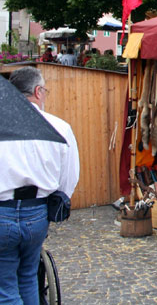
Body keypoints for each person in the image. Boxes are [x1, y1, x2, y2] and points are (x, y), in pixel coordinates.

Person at [2, 67, 79, 304]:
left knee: (5, 285)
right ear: (37, 91)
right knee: (28, 278)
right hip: (37, 213)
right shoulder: (59, 127)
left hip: (2, 212)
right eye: (44, 91)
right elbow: (69, 178)